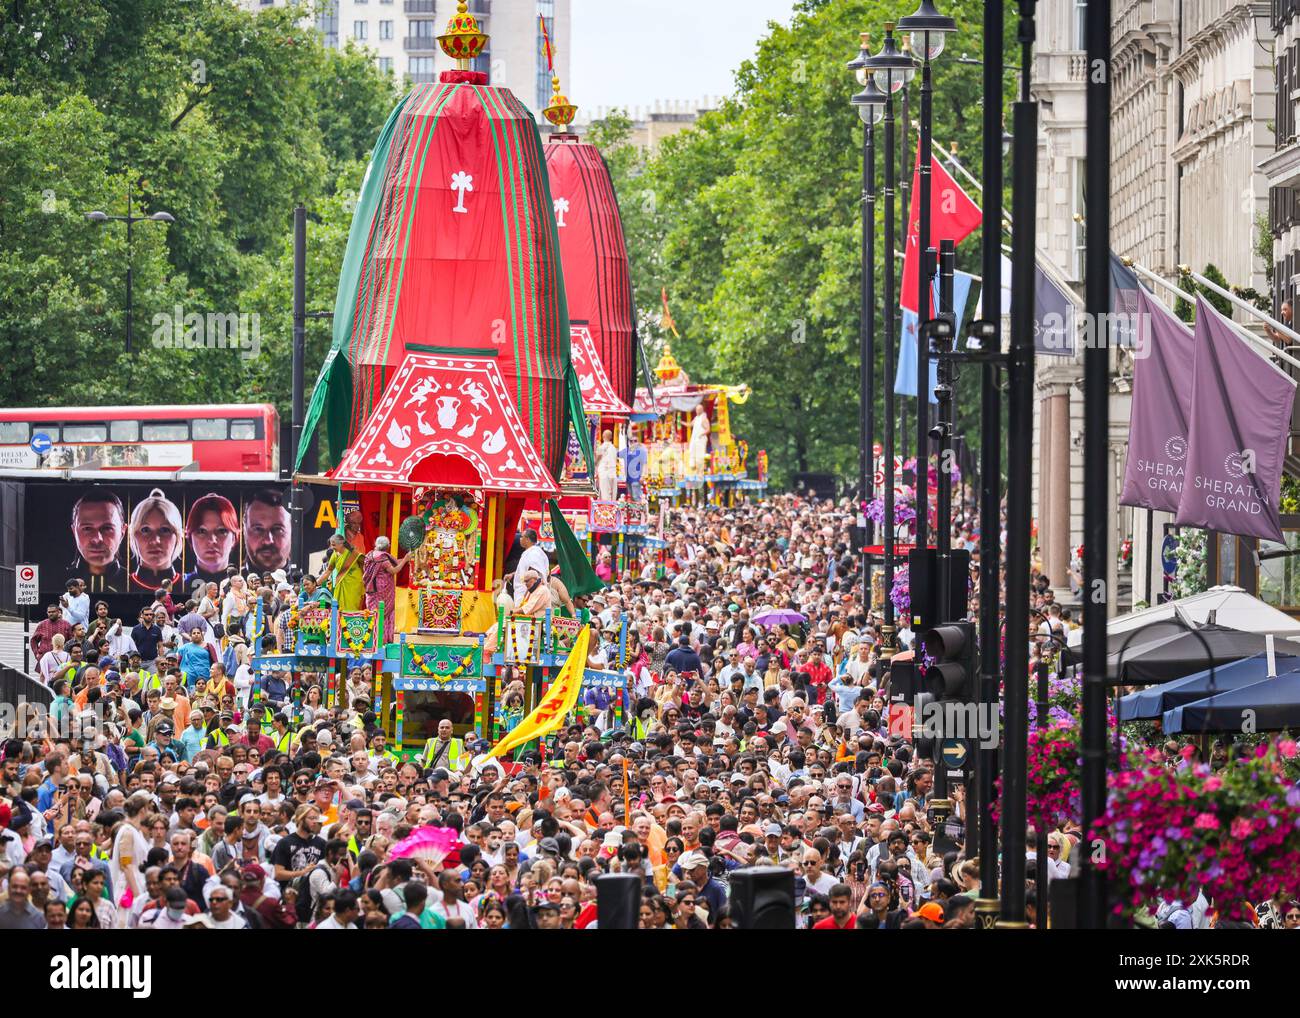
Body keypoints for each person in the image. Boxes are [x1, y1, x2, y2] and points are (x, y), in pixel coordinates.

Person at [68, 491, 127, 593]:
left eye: (107, 528)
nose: (97, 538)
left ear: (123, 531)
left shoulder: (134, 584)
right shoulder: (53, 581)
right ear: (74, 531)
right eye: (87, 528)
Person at [128, 488, 183, 592]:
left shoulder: (190, 586)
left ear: (178, 536)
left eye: (164, 530)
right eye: (145, 530)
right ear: (133, 535)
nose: (155, 540)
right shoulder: (121, 585)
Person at [183, 493, 239, 587]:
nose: (212, 540)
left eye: (221, 531)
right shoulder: (178, 586)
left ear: (234, 538)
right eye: (202, 531)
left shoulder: (246, 587)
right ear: (190, 538)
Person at [363, 537, 411, 644]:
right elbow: (394, 570)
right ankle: (383, 640)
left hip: (372, 591)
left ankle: (373, 639)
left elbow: (393, 563)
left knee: (374, 614)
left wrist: (403, 559)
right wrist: (405, 560)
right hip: (383, 591)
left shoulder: (370, 555)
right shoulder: (383, 559)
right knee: (385, 614)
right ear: (387, 546)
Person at [244, 489, 292, 573]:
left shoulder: (306, 580)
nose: (268, 541)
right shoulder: (230, 582)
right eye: (258, 529)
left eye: (278, 529)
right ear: (244, 529)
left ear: (292, 531)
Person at [324, 534, 365, 613]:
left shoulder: (353, 554)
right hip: (340, 583)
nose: (332, 547)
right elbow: (328, 571)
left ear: (341, 544)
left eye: (333, 545)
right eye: (331, 545)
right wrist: (316, 583)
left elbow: (364, 565)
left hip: (354, 584)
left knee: (352, 608)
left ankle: (352, 624)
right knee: (338, 608)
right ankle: (340, 624)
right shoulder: (335, 555)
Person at [511, 529, 550, 606]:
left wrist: (527, 596)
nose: (520, 539)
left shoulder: (534, 553)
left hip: (528, 594)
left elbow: (533, 575)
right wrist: (512, 575)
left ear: (527, 540)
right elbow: (526, 571)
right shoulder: (529, 552)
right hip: (523, 592)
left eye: (522, 537)